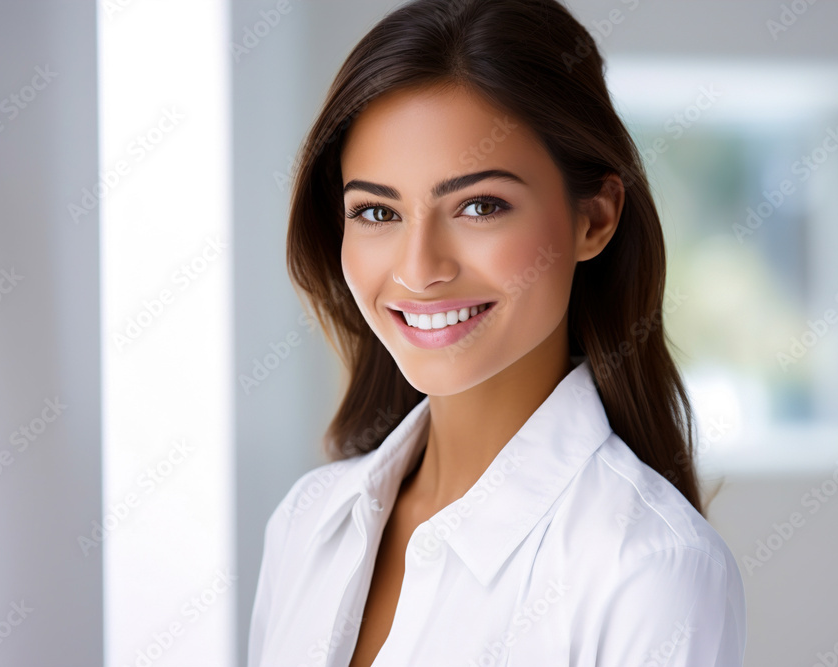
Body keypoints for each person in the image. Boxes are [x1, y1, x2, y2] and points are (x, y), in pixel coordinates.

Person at [248, 0, 747, 665]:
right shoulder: (306, 522)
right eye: (375, 211)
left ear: (594, 218)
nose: (420, 269)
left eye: (480, 206)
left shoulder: (650, 568)